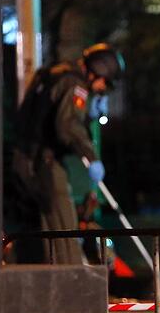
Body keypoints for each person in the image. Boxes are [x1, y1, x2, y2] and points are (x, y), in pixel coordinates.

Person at [10, 43, 123, 264]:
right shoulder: (75, 83)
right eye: (105, 83)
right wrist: (91, 157)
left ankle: (36, 281)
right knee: (64, 228)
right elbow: (68, 126)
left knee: (39, 228)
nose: (101, 89)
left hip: (25, 159)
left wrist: (88, 115)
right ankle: (73, 284)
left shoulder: (55, 72)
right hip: (44, 161)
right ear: (98, 70)